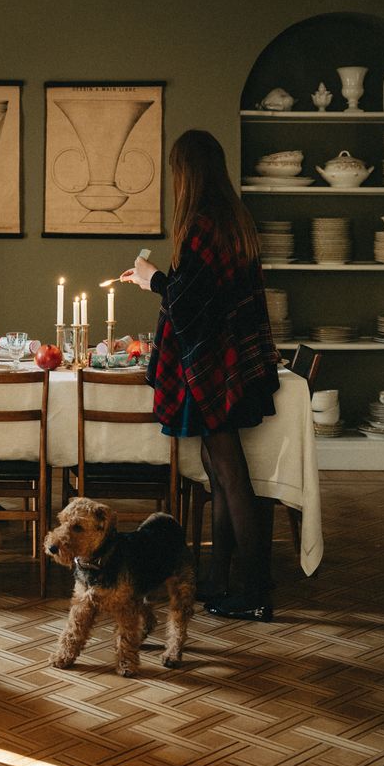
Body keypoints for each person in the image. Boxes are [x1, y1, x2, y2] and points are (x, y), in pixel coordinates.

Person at [121, 129, 281, 622]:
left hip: (215, 367)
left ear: (185, 174)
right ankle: (218, 579)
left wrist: (152, 279)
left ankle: (254, 592)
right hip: (234, 362)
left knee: (231, 478)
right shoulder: (234, 219)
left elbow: (190, 305)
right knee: (219, 473)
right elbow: (208, 298)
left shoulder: (202, 226)